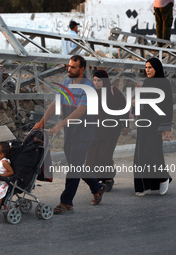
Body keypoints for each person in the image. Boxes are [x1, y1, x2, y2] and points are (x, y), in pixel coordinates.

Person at [33, 55, 106, 214]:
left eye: (73, 67)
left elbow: (81, 110)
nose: (69, 69)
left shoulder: (89, 87)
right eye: (69, 66)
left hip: (84, 132)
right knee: (76, 165)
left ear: (81, 69)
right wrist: (43, 121)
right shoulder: (66, 82)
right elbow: (55, 103)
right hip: (70, 133)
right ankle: (97, 186)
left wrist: (59, 125)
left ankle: (66, 202)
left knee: (74, 167)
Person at [132, 57, 173, 196]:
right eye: (146, 67)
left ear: (157, 68)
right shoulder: (145, 82)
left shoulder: (164, 83)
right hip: (143, 123)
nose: (147, 70)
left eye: (150, 67)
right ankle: (145, 186)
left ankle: (163, 177)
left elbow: (167, 106)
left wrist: (167, 128)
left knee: (150, 153)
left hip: (156, 124)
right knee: (140, 155)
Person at [85, 70, 129, 192]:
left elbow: (125, 107)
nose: (96, 83)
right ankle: (97, 179)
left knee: (105, 154)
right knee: (92, 155)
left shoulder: (113, 91)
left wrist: (125, 124)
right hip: (95, 129)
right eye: (94, 80)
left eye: (99, 80)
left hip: (112, 130)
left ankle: (108, 179)